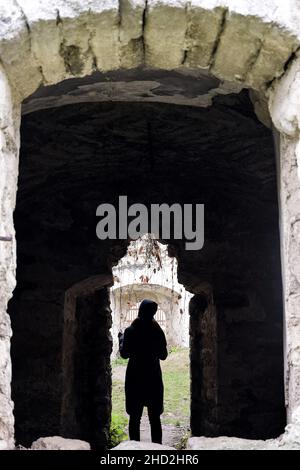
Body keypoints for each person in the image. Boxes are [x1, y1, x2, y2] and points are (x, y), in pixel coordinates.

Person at [118, 299, 168, 444]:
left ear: (140, 310)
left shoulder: (131, 331)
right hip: (153, 377)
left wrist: (121, 339)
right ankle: (158, 451)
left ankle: (134, 450)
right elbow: (163, 356)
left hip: (135, 377)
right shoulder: (157, 331)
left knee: (134, 417)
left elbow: (124, 354)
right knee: (155, 418)